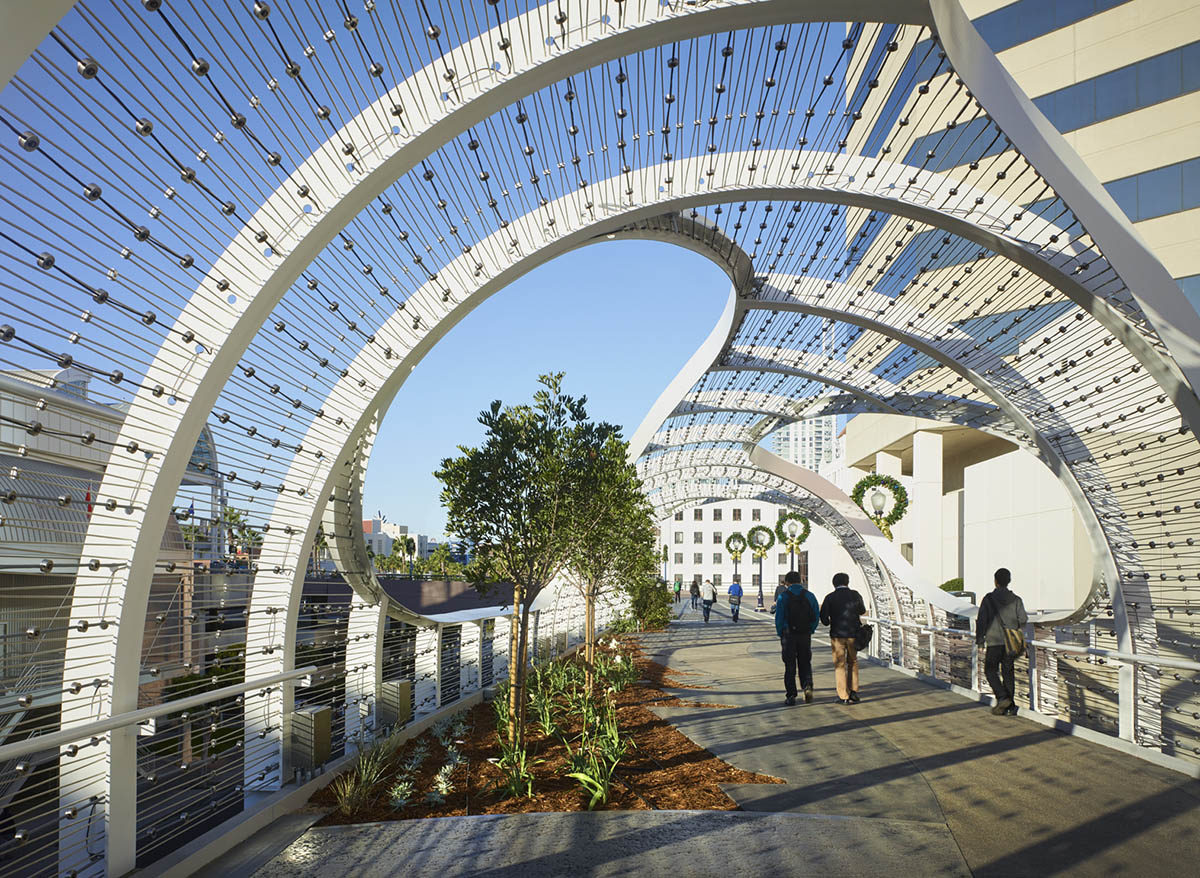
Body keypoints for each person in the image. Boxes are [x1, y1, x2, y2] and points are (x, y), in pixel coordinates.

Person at [975, 567, 1028, 716]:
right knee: (1008, 672)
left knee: (990, 670)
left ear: (996, 581)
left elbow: (982, 621)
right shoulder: (1017, 600)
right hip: (1011, 642)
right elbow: (1023, 620)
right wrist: (1012, 626)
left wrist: (980, 640)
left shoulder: (988, 599)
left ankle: (1002, 697)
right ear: (1009, 581)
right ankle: (1010, 707)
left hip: (994, 641)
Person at [819, 572, 867, 704]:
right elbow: (862, 610)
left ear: (834, 583)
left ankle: (843, 695)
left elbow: (823, 617)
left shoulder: (830, 597)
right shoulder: (855, 594)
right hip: (853, 634)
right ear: (847, 582)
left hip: (837, 635)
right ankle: (854, 692)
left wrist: (829, 622)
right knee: (853, 662)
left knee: (840, 665)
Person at [775, 570, 819, 705]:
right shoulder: (810, 596)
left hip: (789, 635)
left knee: (790, 665)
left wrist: (780, 632)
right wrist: (811, 629)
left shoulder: (783, 597)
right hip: (805, 634)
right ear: (800, 581)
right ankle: (807, 686)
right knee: (805, 662)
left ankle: (791, 695)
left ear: (787, 582)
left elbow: (779, 618)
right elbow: (816, 615)